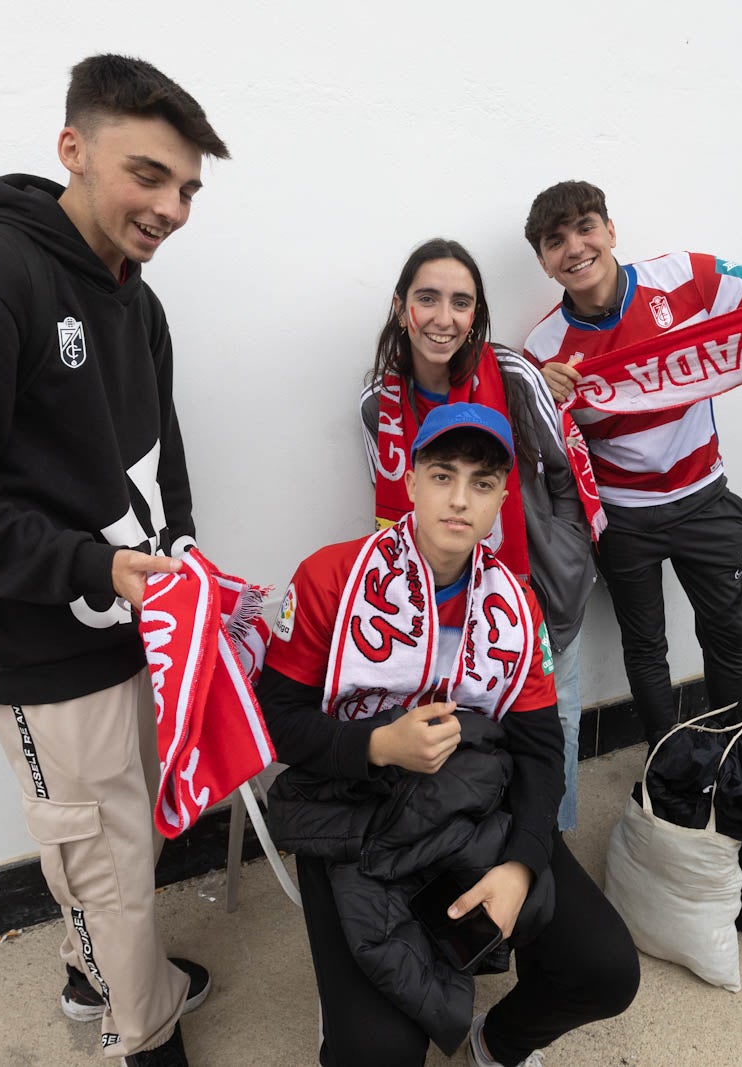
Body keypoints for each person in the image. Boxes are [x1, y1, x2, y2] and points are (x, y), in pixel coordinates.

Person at [0, 54, 227, 1066]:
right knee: (101, 846)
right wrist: (93, 571)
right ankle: (141, 1033)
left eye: (187, 189)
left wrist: (184, 561)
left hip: (134, 619)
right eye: (147, 175)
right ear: (72, 150)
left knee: (124, 835)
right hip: (39, 639)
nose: (169, 206)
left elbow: (160, 451)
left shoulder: (136, 294)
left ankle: (106, 975)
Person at [258, 404, 639, 1067]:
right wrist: (376, 746)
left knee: (606, 968)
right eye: (442, 475)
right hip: (354, 811)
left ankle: (498, 1042)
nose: (460, 499)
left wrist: (521, 866)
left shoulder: (515, 604)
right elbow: (276, 719)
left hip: (473, 800)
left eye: (483, 482)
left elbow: (542, 748)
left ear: (499, 500)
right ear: (409, 482)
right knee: (376, 1053)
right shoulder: (330, 578)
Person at [520, 181, 742, 747]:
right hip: (623, 517)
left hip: (705, 497)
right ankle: (669, 763)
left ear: (611, 231)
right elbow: (537, 449)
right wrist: (543, 391)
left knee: (728, 635)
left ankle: (733, 752)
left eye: (586, 227)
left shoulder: (684, 274)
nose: (575, 247)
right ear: (544, 263)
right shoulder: (542, 346)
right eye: (555, 241)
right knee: (644, 647)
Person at [358, 238, 594, 830]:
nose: (444, 318)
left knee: (554, 719)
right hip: (435, 604)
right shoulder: (377, 406)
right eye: (427, 299)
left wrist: (562, 554)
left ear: (476, 313)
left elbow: (566, 469)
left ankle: (547, 847)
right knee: (464, 725)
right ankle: (479, 846)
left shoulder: (511, 374)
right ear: (399, 306)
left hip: (533, 588)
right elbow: (396, 503)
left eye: (461, 302)